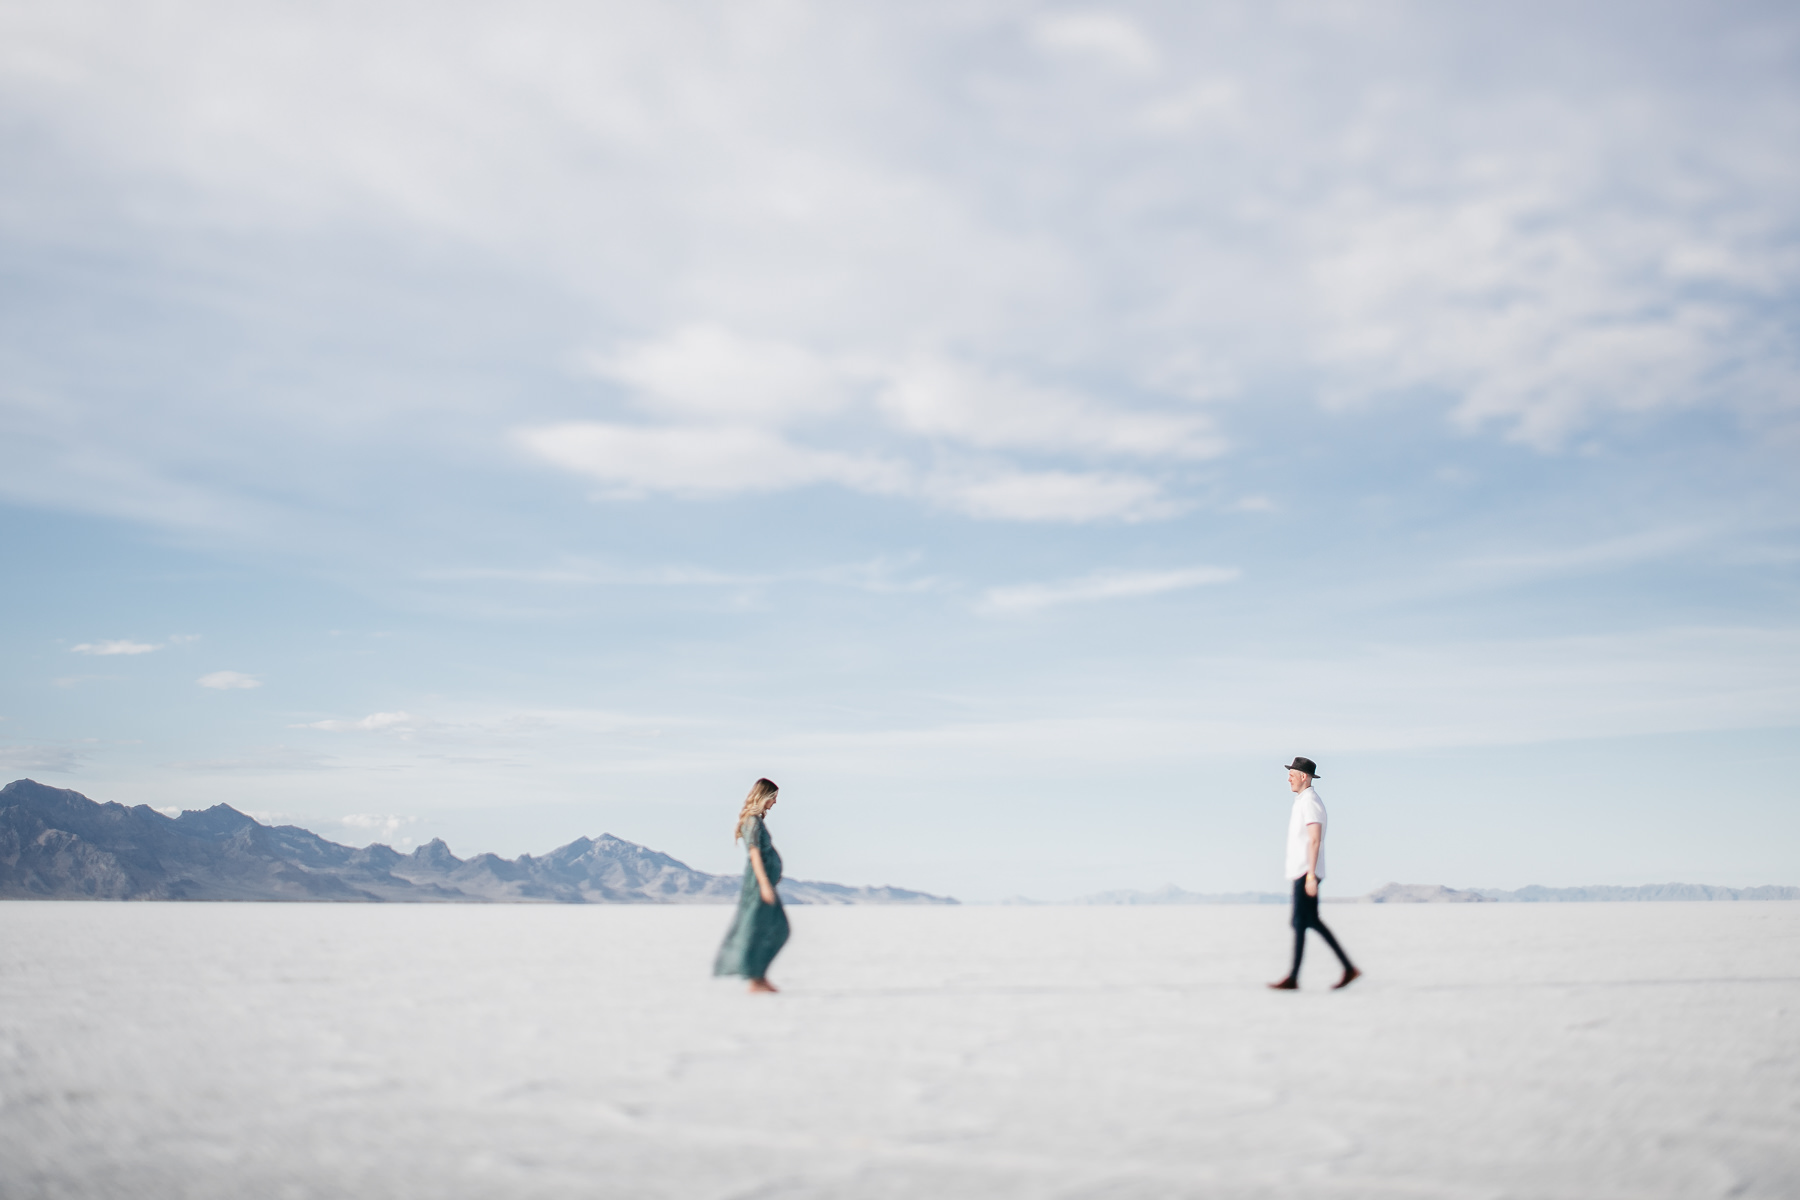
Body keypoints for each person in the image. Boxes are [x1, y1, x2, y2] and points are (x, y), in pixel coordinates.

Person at [1269, 757, 1360, 991]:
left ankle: (1294, 977)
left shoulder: (1310, 802)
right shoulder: (1302, 801)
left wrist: (1310, 875)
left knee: (1302, 922)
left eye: (1292, 773)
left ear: (1304, 776)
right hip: (1301, 872)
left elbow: (1315, 839)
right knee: (1307, 922)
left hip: (1306, 873)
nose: (1288, 777)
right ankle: (1347, 969)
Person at [713, 778, 790, 994]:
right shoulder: (752, 822)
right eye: (773, 798)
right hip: (758, 887)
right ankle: (755, 979)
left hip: (763, 884)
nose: (775, 803)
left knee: (772, 929)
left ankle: (758, 977)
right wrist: (765, 884)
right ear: (764, 796)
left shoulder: (756, 821)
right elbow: (755, 855)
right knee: (770, 930)